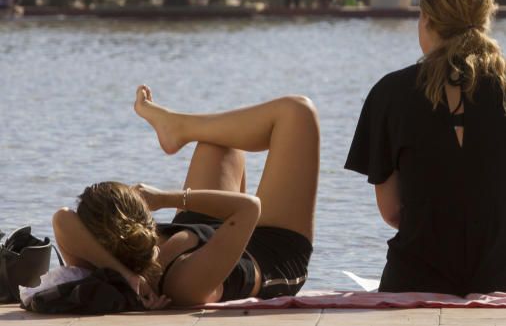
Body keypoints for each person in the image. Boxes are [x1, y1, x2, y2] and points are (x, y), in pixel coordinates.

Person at [345, 0, 506, 295]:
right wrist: (488, 174)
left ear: (427, 20)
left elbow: (392, 211)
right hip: (503, 278)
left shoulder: (390, 92)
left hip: (414, 279)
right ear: (486, 19)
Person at [51, 86, 318, 307]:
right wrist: (167, 198)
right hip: (269, 250)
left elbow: (62, 218)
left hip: (196, 229)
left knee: (218, 141)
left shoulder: (108, 258)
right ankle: (178, 127)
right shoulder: (180, 283)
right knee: (297, 112)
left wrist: (126, 276)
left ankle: (177, 127)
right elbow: (250, 209)